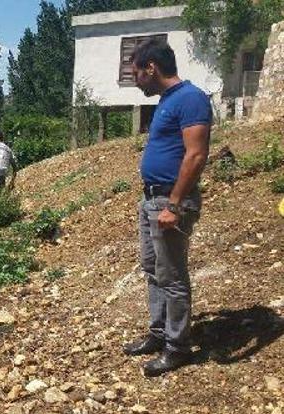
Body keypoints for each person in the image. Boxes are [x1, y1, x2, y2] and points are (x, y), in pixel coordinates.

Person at [122, 39, 212, 377]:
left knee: (172, 275)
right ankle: (158, 334)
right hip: (152, 199)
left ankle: (177, 348)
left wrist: (174, 204)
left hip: (170, 201)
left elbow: (196, 155)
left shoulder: (191, 99)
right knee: (152, 268)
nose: (135, 81)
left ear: (151, 68)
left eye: (136, 75)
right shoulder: (167, 101)